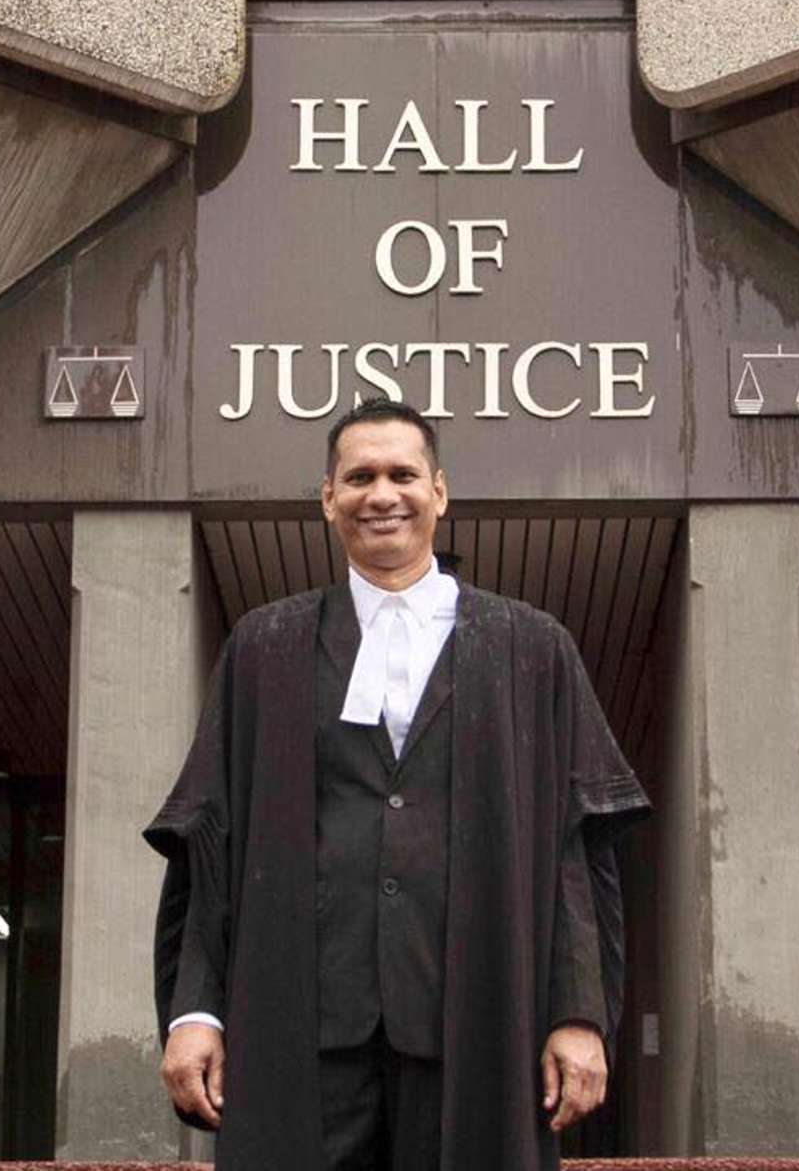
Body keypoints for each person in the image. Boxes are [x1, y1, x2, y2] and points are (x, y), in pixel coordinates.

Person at [145, 398, 649, 1171]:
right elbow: (210, 846)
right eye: (359, 477)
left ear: (439, 492)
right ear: (328, 498)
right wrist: (196, 1011)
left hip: (475, 1023)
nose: (382, 494)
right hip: (303, 1029)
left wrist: (579, 1012)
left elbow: (575, 849)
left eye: (402, 474)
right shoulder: (264, 649)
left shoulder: (532, 649)